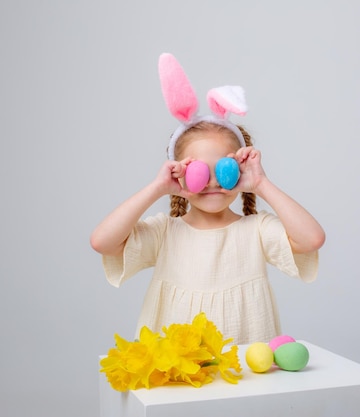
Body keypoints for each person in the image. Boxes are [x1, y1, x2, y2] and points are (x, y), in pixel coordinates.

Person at [90, 54, 325, 344]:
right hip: (179, 370)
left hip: (242, 371)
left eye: (223, 169)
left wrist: (261, 184)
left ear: (240, 168)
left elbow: (312, 239)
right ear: (179, 173)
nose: (213, 181)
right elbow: (102, 242)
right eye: (200, 170)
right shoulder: (166, 232)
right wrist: (156, 188)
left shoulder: (255, 230)